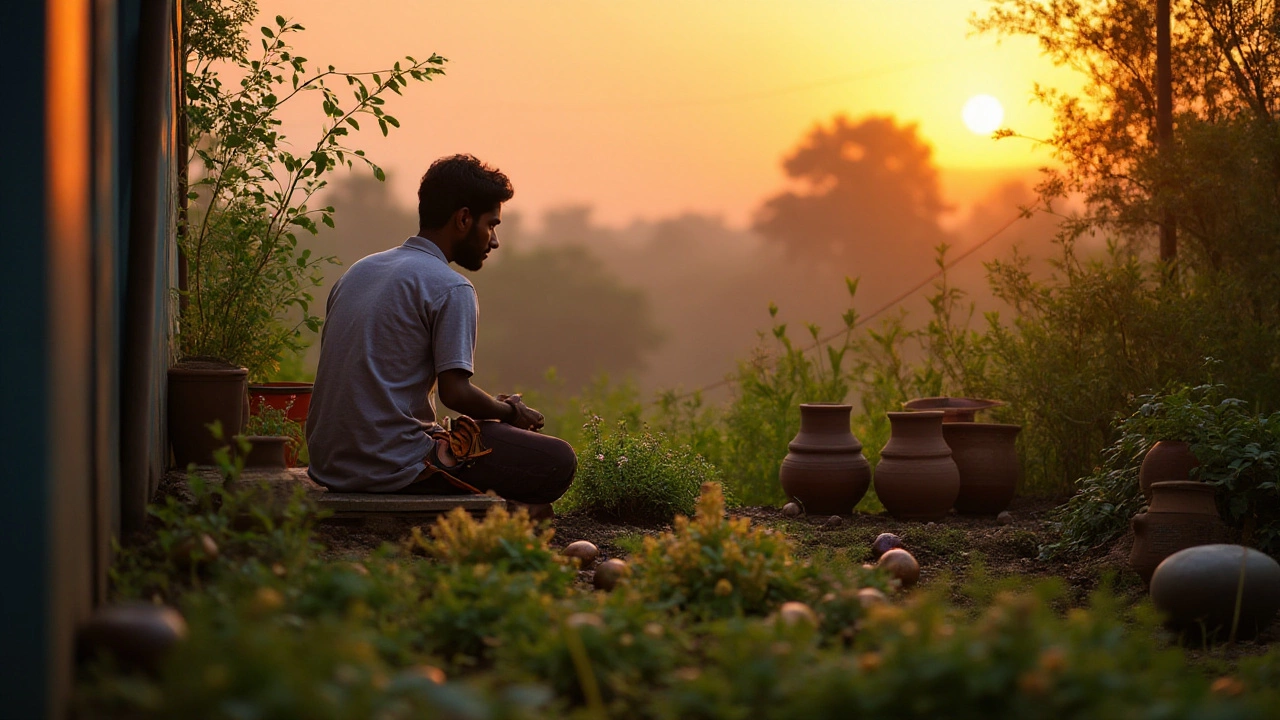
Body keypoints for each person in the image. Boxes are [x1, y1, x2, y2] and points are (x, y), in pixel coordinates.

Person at [305, 154, 576, 513]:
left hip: (330, 465)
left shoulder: (360, 271)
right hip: (390, 467)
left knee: (484, 434)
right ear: (463, 219)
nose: (494, 241)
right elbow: (456, 393)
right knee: (556, 460)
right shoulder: (451, 287)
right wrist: (509, 412)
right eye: (491, 225)